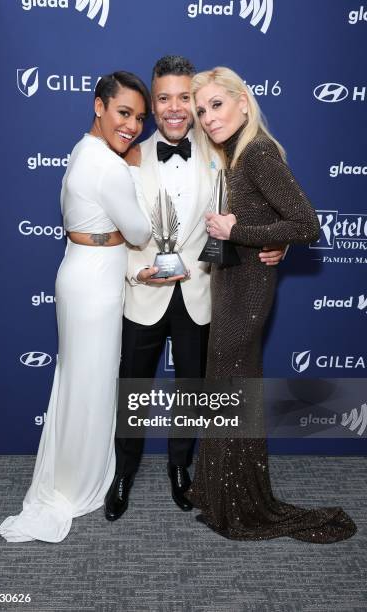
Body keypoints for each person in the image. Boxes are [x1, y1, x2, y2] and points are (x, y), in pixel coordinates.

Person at [104, 56, 285, 522]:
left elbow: (263, 205)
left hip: (203, 294)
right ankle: (123, 473)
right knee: (135, 389)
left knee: (192, 391)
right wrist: (135, 274)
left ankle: (181, 471)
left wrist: (276, 240)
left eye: (185, 98)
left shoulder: (223, 151)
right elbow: (109, 231)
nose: (175, 108)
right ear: (153, 104)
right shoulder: (128, 156)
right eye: (163, 98)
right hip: (144, 293)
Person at [185, 66, 356, 542]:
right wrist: (253, 235)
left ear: (244, 101)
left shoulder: (258, 151)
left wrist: (236, 232)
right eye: (202, 110)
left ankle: (241, 503)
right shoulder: (234, 155)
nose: (208, 117)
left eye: (216, 105)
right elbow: (274, 224)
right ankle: (224, 496)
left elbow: (307, 223)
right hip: (231, 282)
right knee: (228, 386)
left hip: (247, 290)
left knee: (232, 388)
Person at [0, 71, 152, 543]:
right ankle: (78, 482)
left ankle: (74, 470)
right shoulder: (109, 165)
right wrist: (133, 167)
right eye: (124, 113)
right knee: (89, 381)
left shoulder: (83, 149)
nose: (132, 126)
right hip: (95, 281)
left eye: (140, 119)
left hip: (82, 270)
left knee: (79, 379)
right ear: (99, 106)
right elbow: (143, 233)